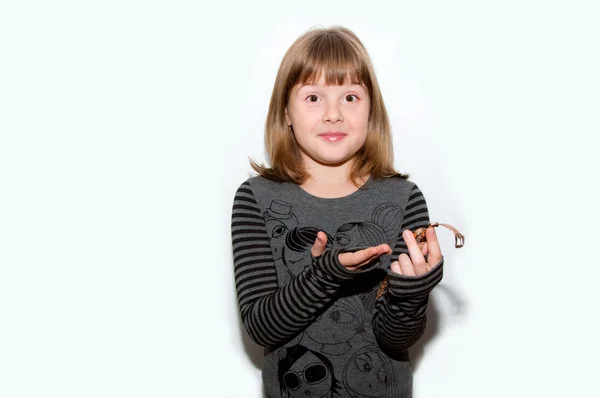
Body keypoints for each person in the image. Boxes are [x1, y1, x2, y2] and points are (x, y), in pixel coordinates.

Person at [231, 25, 444, 398]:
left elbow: (395, 338)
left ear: (371, 110)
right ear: (286, 112)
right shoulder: (256, 198)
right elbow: (261, 328)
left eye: (350, 97)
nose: (333, 114)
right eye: (313, 97)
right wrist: (327, 273)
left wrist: (411, 292)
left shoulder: (403, 199)